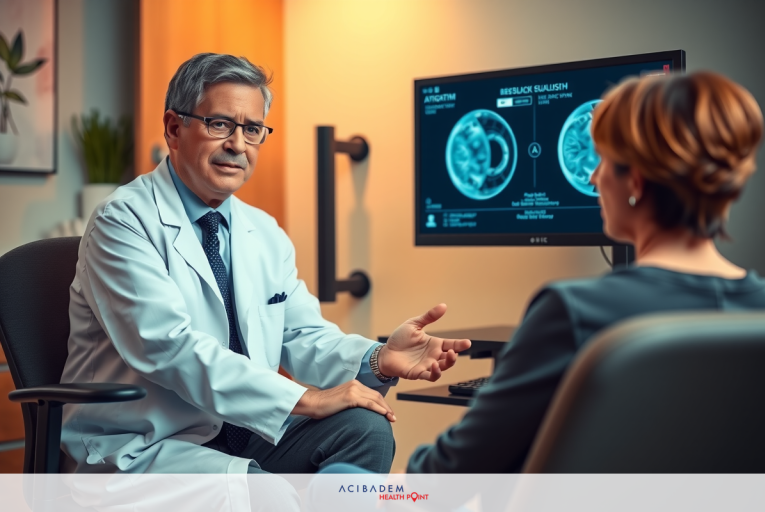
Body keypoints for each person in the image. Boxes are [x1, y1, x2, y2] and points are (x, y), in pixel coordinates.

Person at [60, 53, 471, 476]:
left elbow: (301, 333)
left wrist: (378, 357)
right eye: (219, 124)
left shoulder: (262, 230)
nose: (237, 145)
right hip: (147, 443)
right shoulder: (123, 220)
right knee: (263, 493)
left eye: (252, 129)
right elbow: (169, 347)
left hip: (241, 430)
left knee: (365, 429)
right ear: (174, 128)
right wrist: (304, 399)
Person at [403, 71, 765, 473]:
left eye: (603, 161)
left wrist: (374, 483)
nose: (593, 177)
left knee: (339, 482)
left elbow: (448, 478)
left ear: (637, 183)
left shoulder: (572, 311)